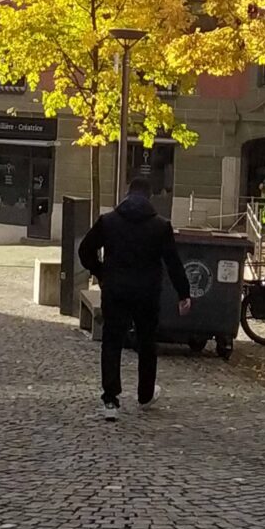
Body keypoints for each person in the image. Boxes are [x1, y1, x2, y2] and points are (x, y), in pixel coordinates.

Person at [78, 176, 191, 421]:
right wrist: (184, 293)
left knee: (112, 341)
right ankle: (145, 394)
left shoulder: (108, 221)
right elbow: (173, 263)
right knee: (147, 342)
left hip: (115, 290)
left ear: (127, 194)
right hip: (147, 292)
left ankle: (110, 399)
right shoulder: (161, 226)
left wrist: (100, 271)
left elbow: (85, 250)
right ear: (149, 197)